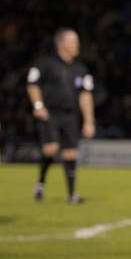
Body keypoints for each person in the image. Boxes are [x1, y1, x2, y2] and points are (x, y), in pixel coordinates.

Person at [26, 28, 95, 204]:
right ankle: (40, 184)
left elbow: (86, 95)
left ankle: (72, 195)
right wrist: (38, 105)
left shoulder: (81, 69)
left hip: (70, 115)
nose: (77, 45)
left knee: (71, 153)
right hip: (49, 114)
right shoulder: (45, 64)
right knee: (51, 148)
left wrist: (88, 120)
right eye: (73, 42)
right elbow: (32, 84)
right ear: (61, 44)